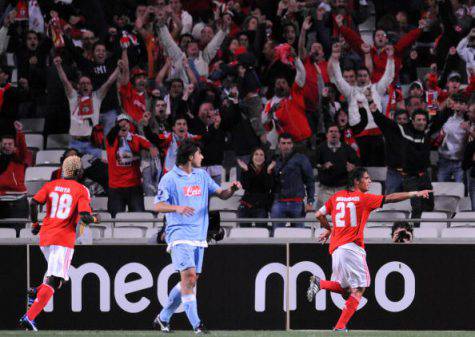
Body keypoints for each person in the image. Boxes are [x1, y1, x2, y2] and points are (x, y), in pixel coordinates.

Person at [307, 167, 431, 331]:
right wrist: (414, 193)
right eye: (366, 178)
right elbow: (391, 198)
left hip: (336, 250)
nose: (370, 181)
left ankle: (320, 283)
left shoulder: (336, 197)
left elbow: (318, 214)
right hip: (352, 248)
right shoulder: (363, 198)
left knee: (345, 289)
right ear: (356, 182)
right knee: (359, 289)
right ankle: (340, 326)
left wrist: (329, 229)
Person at [152, 140, 241, 334]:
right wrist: (177, 208)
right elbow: (157, 205)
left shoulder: (202, 175)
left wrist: (232, 189)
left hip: (199, 235)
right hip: (179, 233)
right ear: (191, 157)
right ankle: (197, 325)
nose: (202, 157)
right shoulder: (170, 178)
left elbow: (222, 194)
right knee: (189, 276)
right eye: (199, 153)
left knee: (190, 280)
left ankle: (163, 318)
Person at [19, 155, 98, 331]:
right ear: (79, 171)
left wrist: (34, 224)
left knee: (59, 280)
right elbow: (85, 216)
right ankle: (29, 317)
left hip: (45, 237)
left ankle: (36, 291)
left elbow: (33, 203)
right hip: (63, 239)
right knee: (55, 280)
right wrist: (94, 217)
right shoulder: (81, 189)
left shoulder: (50, 185)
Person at [54, 56, 119, 159]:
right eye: (82, 83)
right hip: (75, 144)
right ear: (78, 86)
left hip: (92, 145)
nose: (85, 85)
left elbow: (109, 82)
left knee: (108, 161)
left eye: (87, 83)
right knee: (71, 166)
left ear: (91, 86)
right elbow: (65, 81)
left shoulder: (97, 97)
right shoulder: (73, 97)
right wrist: (58, 66)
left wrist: (119, 68)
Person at [106, 114, 159, 217]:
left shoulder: (136, 138)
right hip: (115, 188)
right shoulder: (111, 140)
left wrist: (152, 148)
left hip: (134, 187)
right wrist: (119, 126)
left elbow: (150, 144)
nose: (123, 125)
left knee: (138, 218)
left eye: (126, 123)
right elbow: (111, 133)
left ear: (130, 126)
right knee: (114, 221)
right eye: (120, 123)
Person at [270, 133, 315, 233]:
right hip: (279, 201)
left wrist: (310, 201)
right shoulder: (274, 159)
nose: (286, 146)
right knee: (276, 234)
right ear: (278, 144)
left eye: (288, 143)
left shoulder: (301, 158)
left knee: (299, 235)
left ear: (292, 145)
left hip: (297, 201)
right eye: (283, 143)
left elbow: (310, 180)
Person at [316, 124, 359, 208]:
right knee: (325, 217)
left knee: (342, 217)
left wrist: (353, 167)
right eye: (331, 131)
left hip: (343, 188)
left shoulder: (347, 148)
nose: (333, 133)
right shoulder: (320, 148)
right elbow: (315, 164)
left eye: (336, 131)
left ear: (339, 135)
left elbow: (357, 164)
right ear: (327, 135)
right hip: (325, 190)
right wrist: (323, 166)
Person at [237, 147, 275, 227]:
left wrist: (268, 172)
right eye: (256, 154)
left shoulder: (268, 169)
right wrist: (246, 171)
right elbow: (246, 186)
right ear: (252, 156)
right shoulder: (247, 168)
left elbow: (268, 187)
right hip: (246, 204)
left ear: (265, 158)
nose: (259, 157)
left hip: (261, 205)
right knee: (243, 230)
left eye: (261, 155)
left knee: (261, 229)